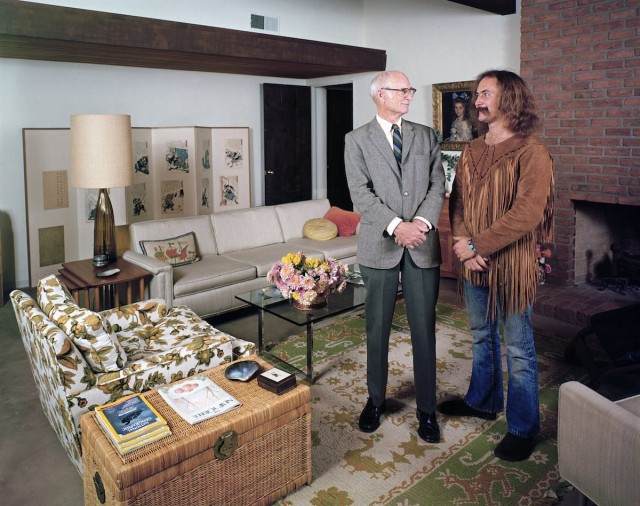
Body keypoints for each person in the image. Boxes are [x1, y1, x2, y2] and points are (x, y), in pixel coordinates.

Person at [438, 69, 554, 461]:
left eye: (486, 93)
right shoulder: (471, 149)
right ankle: (483, 402)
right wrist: (463, 244)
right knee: (480, 337)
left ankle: (522, 426)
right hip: (474, 263)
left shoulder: (532, 151)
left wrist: (474, 244)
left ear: (510, 99)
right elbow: (458, 204)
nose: (477, 100)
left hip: (513, 265)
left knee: (518, 349)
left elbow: (528, 212)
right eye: (476, 94)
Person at [345, 71, 445, 443]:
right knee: (377, 329)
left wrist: (418, 223)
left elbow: (438, 184)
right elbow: (360, 193)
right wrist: (394, 226)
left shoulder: (426, 135)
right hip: (379, 245)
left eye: (410, 90)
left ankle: (427, 411)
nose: (408, 96)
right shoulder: (356, 141)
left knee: (424, 331)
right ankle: (375, 400)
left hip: (421, 243)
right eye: (401, 90)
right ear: (379, 94)